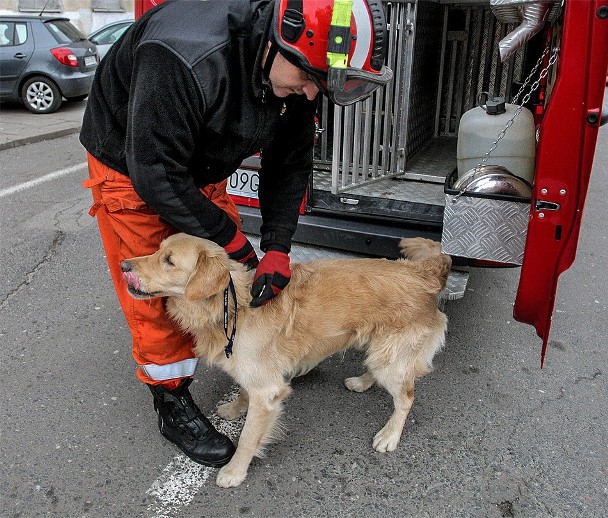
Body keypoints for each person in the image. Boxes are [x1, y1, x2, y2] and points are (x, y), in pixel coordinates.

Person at [80, 0, 392, 468]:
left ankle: (259, 358)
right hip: (134, 167)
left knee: (229, 282)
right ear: (278, 42)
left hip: (199, 162)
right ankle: (171, 400)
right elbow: (156, 173)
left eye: (320, 87)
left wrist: (277, 248)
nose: (310, 94)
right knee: (158, 291)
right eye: (307, 79)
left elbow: (288, 165)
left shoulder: (299, 78)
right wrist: (233, 242)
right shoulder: (182, 56)